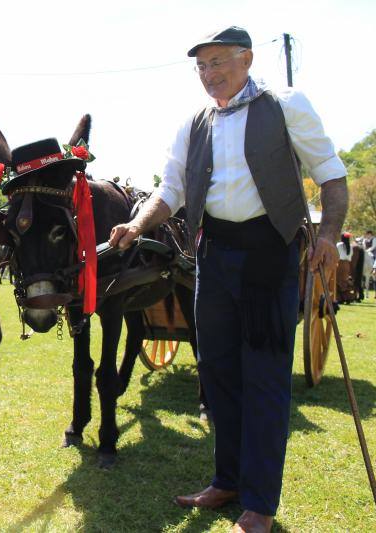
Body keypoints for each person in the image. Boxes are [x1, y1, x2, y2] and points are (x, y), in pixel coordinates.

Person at [109, 26, 348, 532]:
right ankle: (228, 481)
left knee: (264, 379)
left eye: (218, 63)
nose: (209, 74)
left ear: (247, 59)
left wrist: (327, 234)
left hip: (269, 256)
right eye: (201, 67)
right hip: (213, 257)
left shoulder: (285, 105)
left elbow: (330, 172)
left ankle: (259, 505)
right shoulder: (193, 123)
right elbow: (170, 190)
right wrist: (136, 223)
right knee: (217, 377)